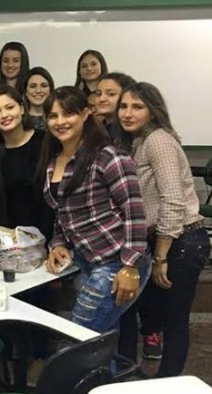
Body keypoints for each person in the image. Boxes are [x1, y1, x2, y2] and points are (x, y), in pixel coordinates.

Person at [115, 82, 210, 376]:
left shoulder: (158, 141)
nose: (127, 113)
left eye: (137, 107)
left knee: (175, 322)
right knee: (155, 314)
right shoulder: (139, 141)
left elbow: (172, 199)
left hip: (181, 242)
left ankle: (167, 383)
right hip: (165, 241)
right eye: (124, 106)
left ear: (153, 111)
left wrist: (160, 256)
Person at [42, 86, 150, 332]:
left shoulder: (108, 156)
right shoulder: (53, 162)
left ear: (85, 113)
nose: (60, 121)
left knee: (77, 336)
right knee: (101, 339)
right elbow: (62, 213)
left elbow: (134, 213)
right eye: (53, 116)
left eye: (68, 113)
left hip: (117, 261)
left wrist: (131, 267)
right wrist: (57, 244)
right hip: (86, 261)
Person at [0, 86, 52, 238]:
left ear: (22, 108)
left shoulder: (45, 142)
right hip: (6, 238)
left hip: (46, 234)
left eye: (9, 107)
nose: (4, 115)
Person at [23, 66, 55, 131]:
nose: (38, 90)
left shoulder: (58, 119)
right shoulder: (18, 121)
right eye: (33, 86)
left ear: (50, 90)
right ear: (26, 91)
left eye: (44, 86)